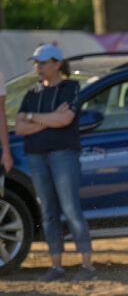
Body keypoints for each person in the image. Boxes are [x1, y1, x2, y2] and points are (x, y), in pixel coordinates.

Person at [14, 44, 95, 282]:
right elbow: (19, 127)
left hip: (63, 155)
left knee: (71, 208)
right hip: (36, 156)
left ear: (57, 64)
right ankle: (56, 266)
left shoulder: (70, 88)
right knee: (48, 212)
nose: (38, 67)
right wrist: (47, 119)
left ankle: (87, 267)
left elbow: (66, 119)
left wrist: (32, 119)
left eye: (43, 62)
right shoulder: (32, 94)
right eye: (36, 63)